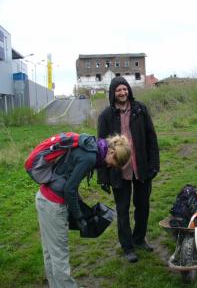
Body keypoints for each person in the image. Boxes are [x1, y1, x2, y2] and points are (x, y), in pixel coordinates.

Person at [35, 134, 131, 288]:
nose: (111, 167)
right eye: (115, 164)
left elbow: (69, 178)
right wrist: (79, 216)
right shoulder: (90, 158)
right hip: (53, 205)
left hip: (45, 198)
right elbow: (69, 190)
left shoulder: (93, 146)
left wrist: (80, 208)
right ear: (112, 153)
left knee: (50, 252)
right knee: (59, 254)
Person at [97, 76, 160, 263]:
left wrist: (154, 164)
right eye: (118, 90)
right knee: (123, 210)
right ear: (113, 93)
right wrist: (103, 176)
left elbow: (151, 138)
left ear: (129, 91)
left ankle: (139, 239)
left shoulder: (140, 110)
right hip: (118, 170)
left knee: (143, 206)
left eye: (125, 89)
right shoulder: (106, 116)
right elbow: (100, 148)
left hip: (141, 167)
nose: (122, 92)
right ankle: (127, 246)